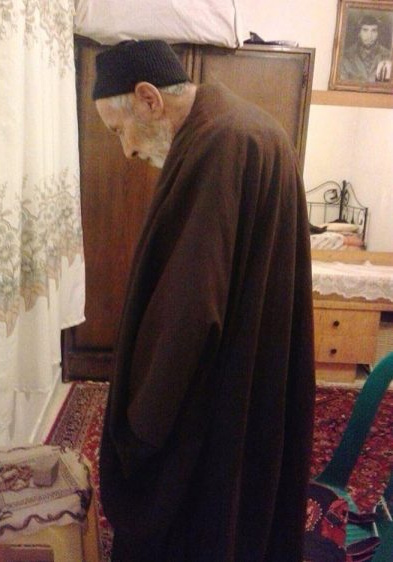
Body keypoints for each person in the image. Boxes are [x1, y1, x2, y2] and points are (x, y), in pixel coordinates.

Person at [93, 39, 316, 562]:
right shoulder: (243, 126)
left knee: (198, 521)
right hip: (251, 368)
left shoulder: (218, 145)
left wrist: (142, 428)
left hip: (220, 391)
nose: (126, 151)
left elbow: (191, 311)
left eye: (119, 130)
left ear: (148, 99)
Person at [340, 14, 392, 82]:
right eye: (365, 30)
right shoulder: (345, 57)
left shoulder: (389, 56)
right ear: (359, 33)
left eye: (374, 31)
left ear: (378, 33)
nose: (369, 36)